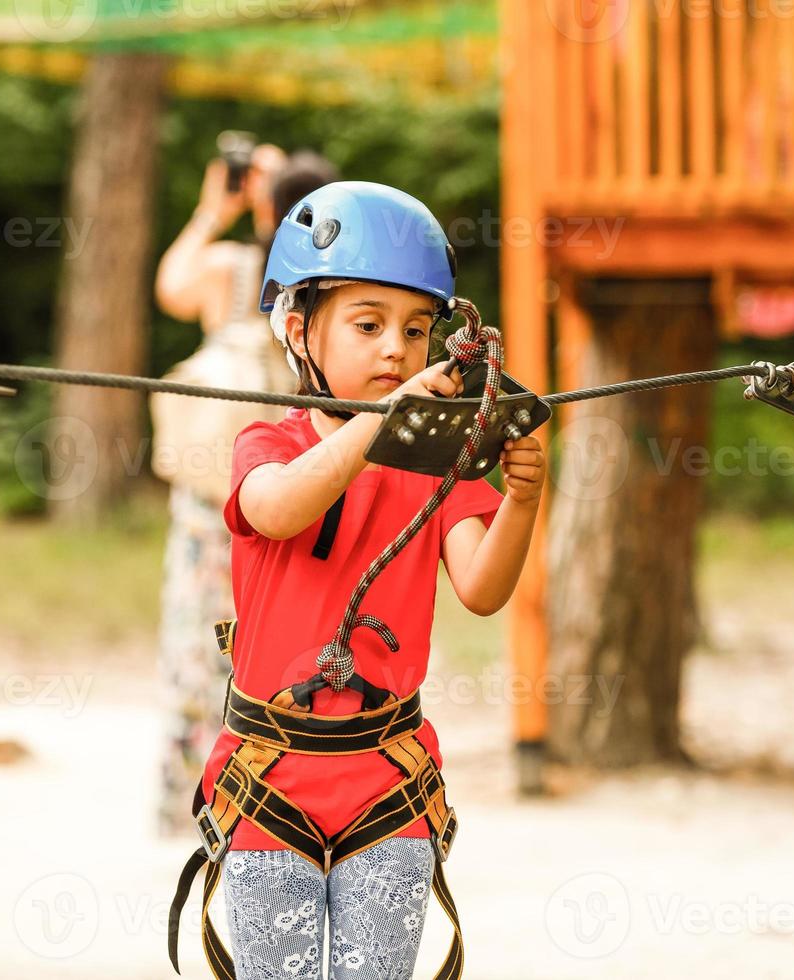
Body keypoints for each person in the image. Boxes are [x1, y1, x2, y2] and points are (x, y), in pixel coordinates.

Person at [168, 182, 547, 980]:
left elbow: (481, 587)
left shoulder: (439, 464)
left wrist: (521, 498)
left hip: (388, 784)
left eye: (416, 331)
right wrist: (380, 426)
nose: (396, 351)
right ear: (300, 333)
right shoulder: (267, 442)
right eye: (368, 325)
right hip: (271, 779)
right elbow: (273, 510)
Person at [151, 145, 340, 838]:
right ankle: (276, 795)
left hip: (213, 493)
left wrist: (214, 206)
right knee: (280, 644)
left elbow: (170, 286)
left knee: (200, 643)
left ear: (264, 202)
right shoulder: (328, 288)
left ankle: (191, 798)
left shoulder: (232, 271)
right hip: (295, 491)